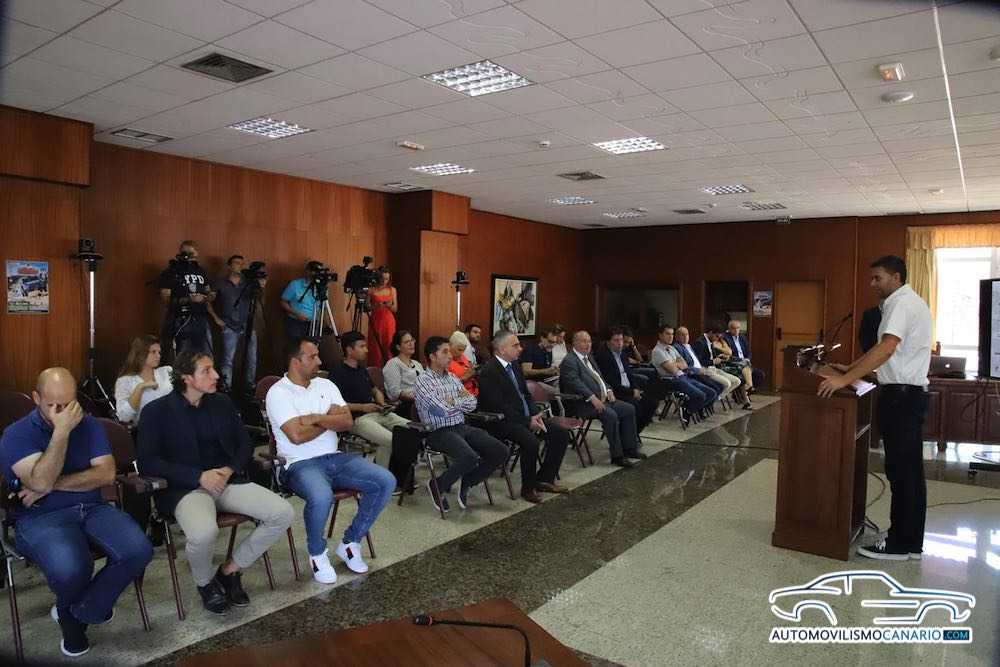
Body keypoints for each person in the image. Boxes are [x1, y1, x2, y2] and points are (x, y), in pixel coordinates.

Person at [1, 368, 153, 657]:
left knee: (139, 549)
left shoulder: (90, 424)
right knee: (72, 567)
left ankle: (79, 611)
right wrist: (61, 432)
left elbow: (105, 474)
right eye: (52, 405)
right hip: (40, 517)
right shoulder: (16, 434)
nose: (62, 412)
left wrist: (50, 484)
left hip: (93, 507)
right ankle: (75, 618)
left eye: (68, 404)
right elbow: (40, 481)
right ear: (36, 398)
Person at [137, 351, 294, 614]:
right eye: (206, 371)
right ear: (186, 378)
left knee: (282, 513)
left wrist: (229, 469)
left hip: (227, 481)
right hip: (187, 488)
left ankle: (229, 571)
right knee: (203, 533)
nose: (216, 375)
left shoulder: (221, 403)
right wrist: (199, 476)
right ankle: (205, 584)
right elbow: (148, 463)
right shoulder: (156, 412)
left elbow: (244, 444)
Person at [819, 255, 932, 561]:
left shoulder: (900, 303)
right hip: (908, 396)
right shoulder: (910, 301)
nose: (872, 284)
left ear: (896, 277)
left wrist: (844, 380)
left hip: (901, 398)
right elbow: (882, 351)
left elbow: (886, 348)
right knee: (909, 473)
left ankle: (899, 544)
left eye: (877, 278)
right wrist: (851, 367)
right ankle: (910, 541)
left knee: (902, 473)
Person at [266, 338, 396, 583]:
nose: (319, 361)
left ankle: (350, 543)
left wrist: (316, 418)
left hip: (334, 458)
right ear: (296, 362)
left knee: (385, 480)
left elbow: (346, 421)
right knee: (321, 495)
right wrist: (328, 419)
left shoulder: (326, 384)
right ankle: (317, 554)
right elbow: (296, 436)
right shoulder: (278, 393)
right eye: (312, 357)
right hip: (298, 464)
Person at [415, 336, 508, 513]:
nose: (450, 356)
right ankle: (438, 485)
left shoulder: (452, 378)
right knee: (469, 457)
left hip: (461, 426)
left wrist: (452, 402)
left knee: (501, 451)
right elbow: (441, 410)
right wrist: (457, 403)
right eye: (445, 352)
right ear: (432, 356)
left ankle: (469, 481)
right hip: (438, 431)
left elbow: (472, 403)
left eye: (450, 351)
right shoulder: (423, 381)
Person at [478, 330, 570, 503]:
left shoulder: (514, 365)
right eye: (515, 345)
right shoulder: (489, 371)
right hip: (503, 421)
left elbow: (526, 394)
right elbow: (497, 406)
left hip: (526, 417)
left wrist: (535, 413)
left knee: (561, 434)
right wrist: (528, 421)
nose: (520, 348)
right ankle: (528, 488)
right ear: (502, 349)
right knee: (531, 442)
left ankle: (544, 479)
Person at [560, 330, 644, 467]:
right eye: (583, 341)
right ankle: (617, 456)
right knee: (610, 415)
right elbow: (576, 384)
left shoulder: (589, 357)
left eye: (589, 341)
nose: (588, 344)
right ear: (574, 343)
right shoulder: (569, 361)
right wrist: (593, 398)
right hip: (583, 403)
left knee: (629, 409)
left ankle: (630, 449)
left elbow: (600, 378)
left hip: (603, 399)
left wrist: (609, 390)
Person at [331, 331, 411, 470]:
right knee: (390, 440)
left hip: (377, 412)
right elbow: (335, 405)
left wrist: (382, 403)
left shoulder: (361, 370)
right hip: (357, 419)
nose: (366, 350)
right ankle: (382, 475)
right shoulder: (337, 373)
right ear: (349, 350)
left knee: (412, 428)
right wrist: (362, 407)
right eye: (361, 346)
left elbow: (375, 390)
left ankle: (401, 473)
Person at [213, 255, 266, 395]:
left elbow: (259, 298)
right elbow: (208, 300)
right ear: (229, 266)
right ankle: (226, 387)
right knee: (227, 359)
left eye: (242, 264)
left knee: (252, 358)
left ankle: (250, 387)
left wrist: (261, 286)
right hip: (229, 325)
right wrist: (216, 319)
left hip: (247, 324)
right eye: (237, 263)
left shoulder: (248, 283)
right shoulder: (221, 283)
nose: (240, 266)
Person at [594, 327, 660, 432]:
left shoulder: (623, 355)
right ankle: (628, 433)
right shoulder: (603, 357)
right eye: (616, 340)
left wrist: (636, 389)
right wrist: (631, 392)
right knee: (635, 406)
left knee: (652, 403)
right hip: (616, 392)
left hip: (628, 389)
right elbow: (611, 382)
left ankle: (634, 432)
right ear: (608, 342)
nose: (620, 343)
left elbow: (630, 375)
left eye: (621, 340)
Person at [158, 240, 216, 358]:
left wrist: (209, 297)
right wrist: (189, 300)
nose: (188, 256)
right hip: (180, 319)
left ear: (197, 253)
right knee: (183, 357)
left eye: (191, 253)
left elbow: (208, 291)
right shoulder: (171, 271)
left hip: (201, 318)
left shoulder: (201, 271)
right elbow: (166, 300)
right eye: (185, 253)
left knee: (205, 355)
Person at [651, 325, 716, 419]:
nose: (671, 336)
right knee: (700, 395)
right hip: (671, 380)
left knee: (711, 392)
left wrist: (674, 363)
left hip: (683, 376)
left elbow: (684, 364)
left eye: (672, 334)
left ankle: (688, 410)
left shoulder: (671, 348)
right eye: (667, 334)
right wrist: (677, 364)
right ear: (660, 335)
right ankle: (688, 411)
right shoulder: (657, 351)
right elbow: (673, 370)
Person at [114, 335, 172, 425]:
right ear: (141, 354)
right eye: (153, 352)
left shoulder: (166, 371)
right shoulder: (125, 381)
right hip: (147, 428)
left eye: (159, 352)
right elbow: (124, 417)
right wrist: (140, 388)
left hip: (174, 423)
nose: (158, 356)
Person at [692, 326, 751, 410]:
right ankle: (710, 401)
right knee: (727, 383)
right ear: (711, 332)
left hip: (714, 368)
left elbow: (712, 356)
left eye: (719, 337)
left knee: (737, 381)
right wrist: (713, 361)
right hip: (705, 370)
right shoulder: (700, 342)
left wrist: (720, 357)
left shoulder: (710, 341)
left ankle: (714, 399)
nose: (717, 339)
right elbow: (698, 362)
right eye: (716, 336)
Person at [674, 327, 737, 402]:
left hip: (708, 369)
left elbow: (699, 360)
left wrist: (719, 358)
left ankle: (711, 401)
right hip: (697, 372)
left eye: (687, 334)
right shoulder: (681, 346)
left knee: (735, 381)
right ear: (677, 337)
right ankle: (711, 402)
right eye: (682, 335)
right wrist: (710, 363)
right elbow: (688, 365)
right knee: (721, 386)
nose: (685, 337)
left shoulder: (689, 346)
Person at [281, 261, 332, 341]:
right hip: (295, 322)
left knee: (312, 345)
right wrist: (297, 314)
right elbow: (283, 302)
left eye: (319, 271)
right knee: (297, 346)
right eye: (315, 271)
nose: (317, 274)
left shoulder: (321, 288)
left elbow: (323, 307)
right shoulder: (295, 285)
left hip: (313, 323)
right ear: (307, 271)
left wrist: (326, 323)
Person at [383, 330, 423, 417]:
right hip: (403, 405)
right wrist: (417, 398)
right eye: (406, 342)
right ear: (398, 347)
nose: (411, 344)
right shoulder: (393, 364)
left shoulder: (417, 364)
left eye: (412, 340)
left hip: (420, 401)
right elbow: (395, 393)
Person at [367, 267, 397, 369]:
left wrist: (389, 305)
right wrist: (376, 305)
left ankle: (391, 369)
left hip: (388, 320)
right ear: (378, 277)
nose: (384, 281)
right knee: (375, 346)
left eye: (387, 279)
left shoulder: (392, 290)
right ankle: (375, 370)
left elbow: (395, 309)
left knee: (389, 344)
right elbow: (366, 307)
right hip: (375, 319)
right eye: (382, 278)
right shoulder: (371, 290)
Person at [724, 321, 765, 389]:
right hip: (734, 363)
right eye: (734, 328)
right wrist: (741, 360)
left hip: (746, 362)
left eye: (738, 328)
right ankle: (748, 389)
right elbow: (728, 354)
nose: (736, 330)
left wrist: (748, 359)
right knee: (743, 376)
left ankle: (749, 391)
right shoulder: (725, 338)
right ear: (729, 329)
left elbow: (748, 352)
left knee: (760, 374)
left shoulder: (742, 337)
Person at [447, 330, 479, 396]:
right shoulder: (444, 362)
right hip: (460, 396)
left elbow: (469, 369)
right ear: (450, 345)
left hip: (474, 392)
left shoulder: (461, 356)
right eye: (459, 350)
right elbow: (447, 387)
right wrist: (465, 377)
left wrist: (473, 372)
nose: (461, 353)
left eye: (463, 350)